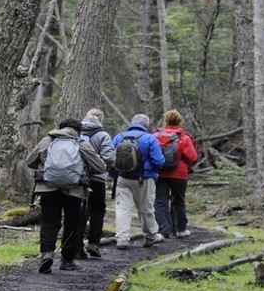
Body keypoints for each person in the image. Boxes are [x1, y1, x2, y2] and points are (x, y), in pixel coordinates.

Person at [24, 118, 105, 273]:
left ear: (60, 128)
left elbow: (30, 161)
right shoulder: (81, 143)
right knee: (72, 223)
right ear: (78, 130)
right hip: (74, 190)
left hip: (48, 187)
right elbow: (100, 167)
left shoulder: (48, 140)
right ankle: (67, 260)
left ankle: (47, 254)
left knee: (49, 222)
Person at [111, 113, 165, 250]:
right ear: (146, 125)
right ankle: (150, 237)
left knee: (122, 209)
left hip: (123, 178)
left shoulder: (119, 137)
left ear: (131, 123)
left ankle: (122, 239)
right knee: (146, 209)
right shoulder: (149, 138)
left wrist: (113, 175)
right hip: (144, 179)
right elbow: (159, 161)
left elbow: (111, 158)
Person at [153, 109, 198, 239]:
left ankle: (163, 230)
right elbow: (193, 157)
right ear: (180, 121)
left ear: (165, 121)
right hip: (180, 174)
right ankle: (180, 229)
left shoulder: (156, 136)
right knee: (179, 201)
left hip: (160, 173)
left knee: (160, 201)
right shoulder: (184, 137)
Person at [78, 108, 115, 258]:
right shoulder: (102, 135)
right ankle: (93, 243)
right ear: (101, 119)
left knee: (80, 212)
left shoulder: (76, 132)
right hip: (98, 179)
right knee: (98, 211)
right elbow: (109, 158)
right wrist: (99, 166)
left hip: (79, 178)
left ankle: (77, 244)